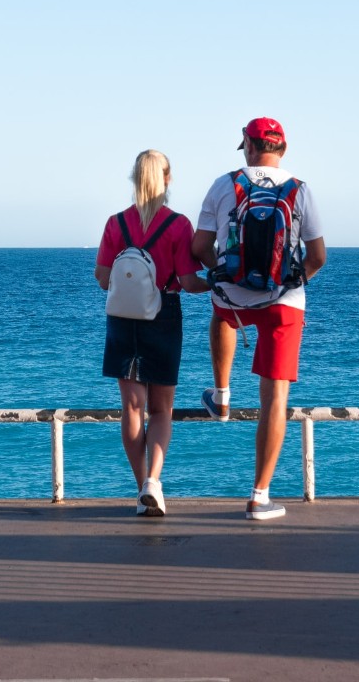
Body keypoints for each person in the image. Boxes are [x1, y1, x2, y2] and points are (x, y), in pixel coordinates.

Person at [192, 117, 326, 520]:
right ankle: (258, 496)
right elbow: (318, 257)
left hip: (233, 298)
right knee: (275, 400)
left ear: (249, 147)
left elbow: (200, 245)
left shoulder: (223, 184)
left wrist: (227, 273)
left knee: (221, 316)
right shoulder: (300, 190)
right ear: (281, 148)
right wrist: (290, 281)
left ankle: (222, 396)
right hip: (284, 303)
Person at [95, 149, 209, 517]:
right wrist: (219, 285)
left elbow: (101, 279)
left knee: (132, 408)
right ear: (168, 179)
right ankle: (154, 483)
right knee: (161, 410)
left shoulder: (116, 223)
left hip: (123, 319)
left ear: (133, 179)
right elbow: (189, 282)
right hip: (163, 314)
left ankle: (140, 484)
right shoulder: (178, 225)